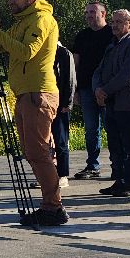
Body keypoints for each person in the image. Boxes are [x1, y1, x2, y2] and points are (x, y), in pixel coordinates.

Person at [0, 0, 65, 226]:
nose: (10, 1)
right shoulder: (22, 22)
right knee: (32, 152)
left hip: (39, 94)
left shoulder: (41, 19)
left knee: (39, 153)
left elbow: (27, 52)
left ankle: (53, 207)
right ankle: (51, 205)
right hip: (26, 93)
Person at [91, 9, 130, 197]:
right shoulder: (112, 46)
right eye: (113, 21)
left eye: (119, 22)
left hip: (128, 104)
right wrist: (97, 89)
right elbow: (98, 71)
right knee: (116, 145)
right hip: (111, 104)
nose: (114, 25)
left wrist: (105, 90)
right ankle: (120, 180)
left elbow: (127, 75)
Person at [69, 1, 113, 180]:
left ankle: (117, 165)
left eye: (92, 11)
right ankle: (92, 166)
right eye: (86, 12)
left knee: (112, 128)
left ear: (103, 14)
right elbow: (76, 64)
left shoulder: (112, 33)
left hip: (108, 89)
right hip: (86, 89)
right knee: (91, 129)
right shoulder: (82, 36)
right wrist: (75, 90)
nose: (88, 15)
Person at [52, 42, 77, 190]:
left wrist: (68, 102)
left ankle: (62, 175)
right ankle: (48, 174)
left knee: (61, 140)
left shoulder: (63, 53)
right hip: (46, 101)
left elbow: (69, 78)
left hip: (60, 103)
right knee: (46, 142)